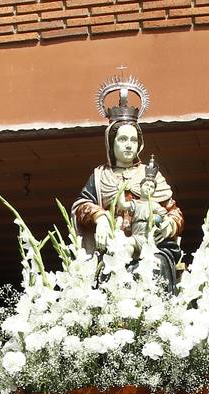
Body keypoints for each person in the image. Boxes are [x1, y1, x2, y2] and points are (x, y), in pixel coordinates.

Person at [72, 78, 184, 286]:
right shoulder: (100, 176)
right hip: (111, 251)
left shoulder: (150, 174)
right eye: (122, 140)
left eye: (133, 140)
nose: (128, 146)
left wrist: (167, 225)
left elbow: (174, 212)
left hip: (150, 248)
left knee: (155, 266)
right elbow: (80, 207)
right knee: (106, 273)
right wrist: (101, 218)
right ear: (111, 142)